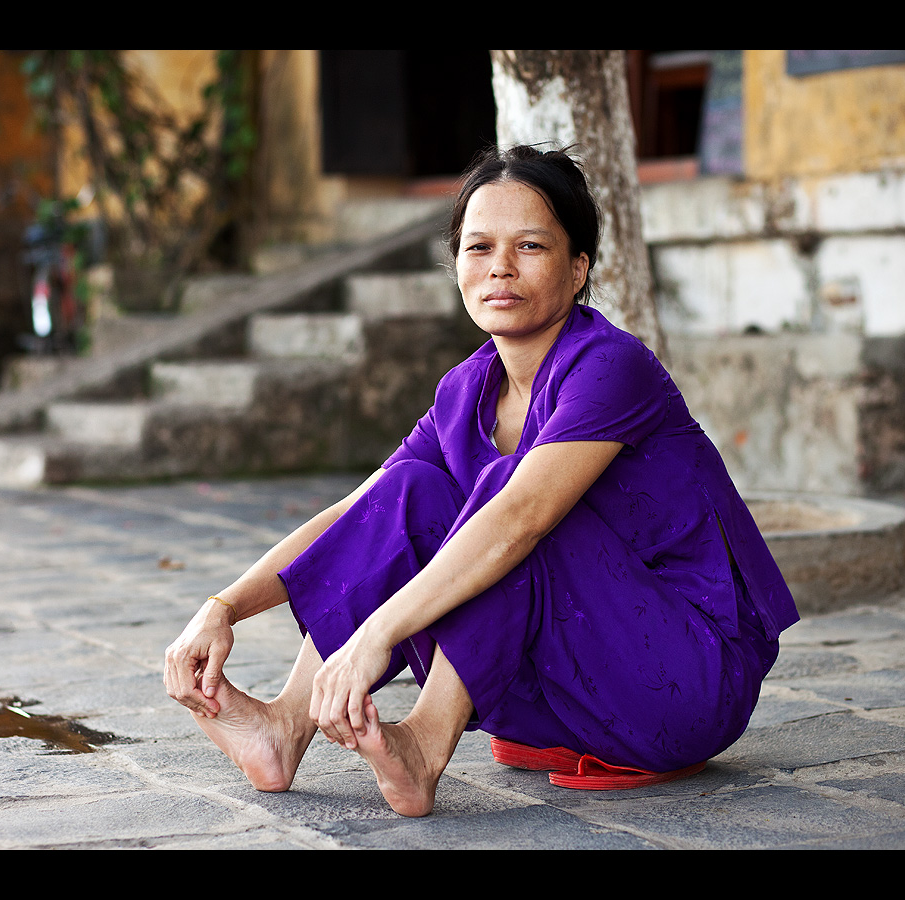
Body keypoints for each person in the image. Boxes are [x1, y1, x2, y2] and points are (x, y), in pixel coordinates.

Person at [164, 144, 799, 817]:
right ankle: (283, 728)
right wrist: (224, 606)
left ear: (578, 267)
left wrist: (376, 635)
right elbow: (362, 513)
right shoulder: (466, 390)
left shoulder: (610, 366)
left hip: (687, 681)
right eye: (478, 247)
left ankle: (424, 747)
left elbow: (521, 516)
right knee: (409, 489)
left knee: (507, 495)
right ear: (457, 266)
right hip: (566, 690)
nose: (499, 267)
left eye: (530, 246)